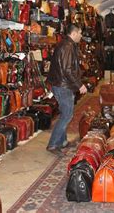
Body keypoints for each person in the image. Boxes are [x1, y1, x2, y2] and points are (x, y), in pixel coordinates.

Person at [46, 24, 87, 155]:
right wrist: (79, 85)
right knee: (67, 115)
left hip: (61, 84)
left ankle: (62, 141)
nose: (81, 35)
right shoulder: (68, 46)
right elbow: (67, 70)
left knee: (65, 113)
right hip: (63, 85)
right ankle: (53, 144)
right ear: (74, 33)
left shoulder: (65, 44)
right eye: (80, 33)